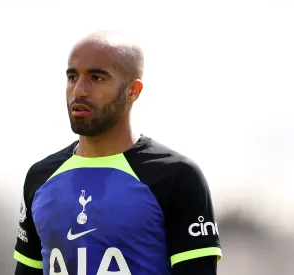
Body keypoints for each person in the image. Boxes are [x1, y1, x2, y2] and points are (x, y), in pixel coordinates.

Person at [13, 30, 222, 275]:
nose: (79, 90)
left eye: (96, 78)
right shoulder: (40, 177)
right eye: (72, 77)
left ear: (133, 91)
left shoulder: (176, 176)